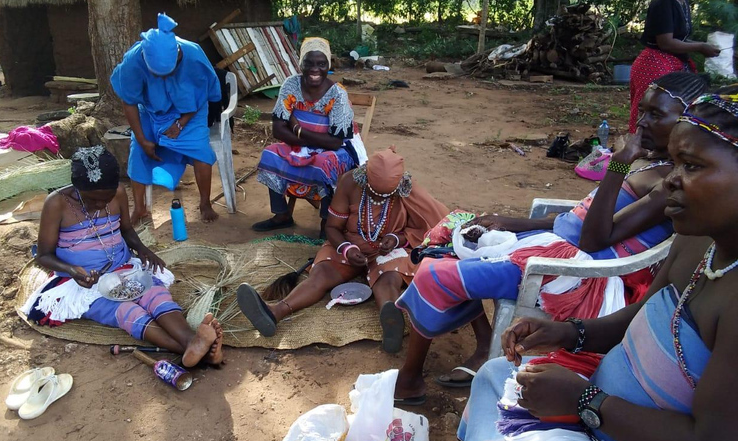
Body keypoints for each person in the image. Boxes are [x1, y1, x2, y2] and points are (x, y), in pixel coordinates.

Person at [429, 86, 738, 441]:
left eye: (692, 165)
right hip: (608, 413)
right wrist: (570, 332)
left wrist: (585, 402)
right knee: (494, 375)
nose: (671, 178)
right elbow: (641, 315)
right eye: (676, 161)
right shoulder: (697, 239)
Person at [394, 72, 707, 402]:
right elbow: (580, 216)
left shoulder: (668, 184)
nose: (641, 122)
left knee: (433, 274)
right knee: (456, 247)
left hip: (574, 273)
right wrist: (513, 222)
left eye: (656, 115)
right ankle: (484, 343)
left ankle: (410, 379)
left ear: (687, 123)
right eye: (642, 110)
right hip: (556, 246)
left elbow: (592, 239)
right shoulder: (652, 162)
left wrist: (617, 163)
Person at [24, 146, 224, 367]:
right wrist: (73, 270)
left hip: (122, 266)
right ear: (78, 189)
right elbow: (44, 255)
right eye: (93, 201)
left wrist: (143, 250)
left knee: (154, 294)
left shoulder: (118, 192)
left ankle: (191, 341)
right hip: (83, 283)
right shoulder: (56, 204)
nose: (101, 205)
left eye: (106, 199)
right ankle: (197, 351)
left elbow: (126, 230)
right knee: (128, 311)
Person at [237, 147, 448, 351]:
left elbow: (421, 228)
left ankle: (390, 317)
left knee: (389, 277)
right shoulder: (349, 182)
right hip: (348, 244)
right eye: (375, 193)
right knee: (320, 276)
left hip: (388, 251)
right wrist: (346, 248)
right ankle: (274, 313)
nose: (381, 200)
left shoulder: (406, 189)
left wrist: (395, 238)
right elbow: (332, 227)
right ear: (364, 177)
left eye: (387, 196)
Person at [110, 13, 221, 224]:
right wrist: (142, 139)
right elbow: (129, 102)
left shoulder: (193, 55)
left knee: (200, 150)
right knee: (138, 151)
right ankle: (140, 209)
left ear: (178, 57)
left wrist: (181, 124)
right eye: (157, 74)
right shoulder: (133, 61)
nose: (163, 79)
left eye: (168, 73)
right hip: (150, 111)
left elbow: (202, 95)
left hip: (190, 111)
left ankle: (205, 203)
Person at [251, 37, 367, 238]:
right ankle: (282, 215)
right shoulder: (290, 85)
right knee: (270, 154)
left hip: (336, 150)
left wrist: (298, 129)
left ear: (328, 66)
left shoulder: (337, 94)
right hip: (303, 143)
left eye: (321, 64)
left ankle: (326, 222)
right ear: (301, 64)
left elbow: (335, 142)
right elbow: (278, 129)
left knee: (325, 163)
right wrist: (306, 139)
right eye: (309, 63)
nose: (315, 69)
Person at [628, 0, 720, 132]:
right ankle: (642, 149)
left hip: (673, 63)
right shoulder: (663, 3)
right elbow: (666, 43)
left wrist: (704, 47)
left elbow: (680, 39)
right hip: (655, 65)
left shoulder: (682, 3)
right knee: (653, 115)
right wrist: (700, 47)